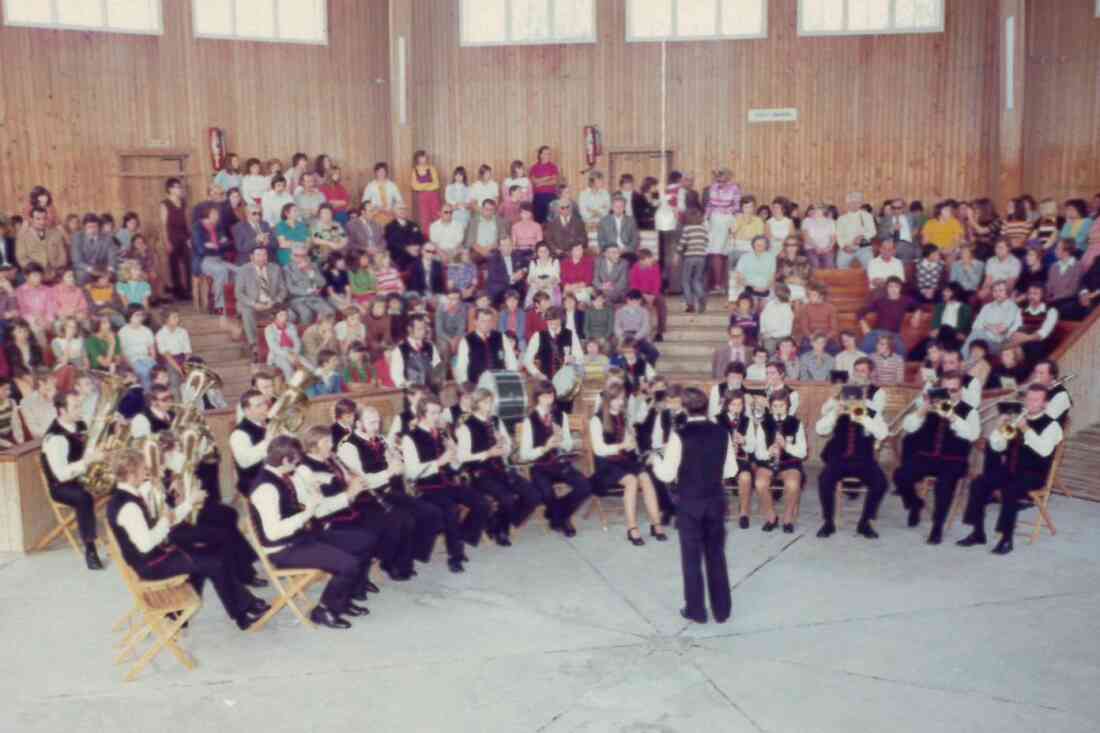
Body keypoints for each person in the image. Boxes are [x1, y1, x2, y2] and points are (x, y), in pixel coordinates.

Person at [249, 436, 372, 629]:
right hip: (283, 550)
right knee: (348, 564)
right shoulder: (266, 488)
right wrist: (308, 511)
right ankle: (324, 610)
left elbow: (302, 506)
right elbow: (273, 533)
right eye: (296, 462)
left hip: (301, 537)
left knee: (363, 541)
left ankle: (344, 599)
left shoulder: (282, 475)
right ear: (284, 461)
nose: (299, 465)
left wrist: (315, 495)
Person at [650, 386, 734, 624]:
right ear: (707, 407)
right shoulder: (721, 432)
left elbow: (667, 475)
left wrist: (657, 458)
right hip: (716, 501)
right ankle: (722, 611)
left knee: (691, 558)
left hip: (690, 504)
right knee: (716, 555)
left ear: (685, 408)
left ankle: (696, 611)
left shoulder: (680, 435)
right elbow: (731, 470)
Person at [959, 385, 1063, 555]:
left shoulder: (1052, 426)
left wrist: (1025, 428)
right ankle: (978, 533)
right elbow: (997, 447)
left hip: (1034, 475)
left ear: (1045, 403)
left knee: (1010, 489)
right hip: (1010, 470)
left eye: (1035, 400)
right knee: (978, 483)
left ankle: (1006, 539)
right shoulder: (1016, 420)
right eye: (1028, 399)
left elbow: (1044, 450)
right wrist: (999, 428)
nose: (1030, 403)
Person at [400, 396, 490, 573]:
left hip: (448, 482)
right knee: (450, 510)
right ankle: (455, 556)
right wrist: (439, 462)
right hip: (427, 487)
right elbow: (411, 473)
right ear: (422, 414)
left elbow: (455, 465)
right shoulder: (410, 438)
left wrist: (455, 454)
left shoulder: (442, 433)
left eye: (439, 412)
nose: (437, 416)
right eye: (433, 413)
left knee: (482, 503)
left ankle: (461, 538)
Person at [893, 371, 980, 544]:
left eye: (954, 390)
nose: (949, 395)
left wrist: (954, 417)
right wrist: (922, 411)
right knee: (900, 475)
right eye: (945, 391)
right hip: (927, 457)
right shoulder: (930, 407)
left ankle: (937, 527)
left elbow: (973, 435)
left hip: (953, 460)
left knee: (944, 486)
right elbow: (908, 427)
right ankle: (915, 503)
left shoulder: (969, 411)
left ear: (961, 391)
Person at [456, 389, 539, 546]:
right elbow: (462, 457)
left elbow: (508, 447)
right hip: (480, 473)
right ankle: (501, 529)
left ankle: (497, 522)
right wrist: (487, 453)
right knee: (507, 497)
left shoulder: (495, 421)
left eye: (491, 402)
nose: (490, 406)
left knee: (533, 494)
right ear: (476, 403)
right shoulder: (466, 427)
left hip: (500, 469)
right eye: (486, 402)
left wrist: (504, 444)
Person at [590, 383, 665, 545]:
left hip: (623, 460)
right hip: (605, 464)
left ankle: (655, 523)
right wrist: (622, 446)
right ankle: (632, 528)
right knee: (631, 480)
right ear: (607, 399)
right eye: (615, 399)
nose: (619, 402)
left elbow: (629, 443)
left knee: (645, 477)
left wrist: (631, 443)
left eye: (621, 399)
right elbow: (599, 450)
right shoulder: (596, 419)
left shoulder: (623, 416)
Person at [815, 385, 889, 538]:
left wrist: (863, 418)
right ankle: (828, 522)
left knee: (880, 483)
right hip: (839, 459)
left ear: (861, 400)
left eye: (854, 401)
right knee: (824, 480)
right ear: (842, 400)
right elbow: (820, 430)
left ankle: (864, 523)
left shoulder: (872, 413)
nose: (850, 404)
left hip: (864, 460)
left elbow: (882, 434)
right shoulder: (836, 410)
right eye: (846, 401)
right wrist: (835, 413)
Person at [41, 390, 104, 569]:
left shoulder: (80, 425)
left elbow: (87, 448)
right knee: (84, 498)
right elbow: (60, 474)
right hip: (62, 487)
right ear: (62, 411)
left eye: (80, 405)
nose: (81, 410)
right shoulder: (55, 439)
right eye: (76, 407)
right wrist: (88, 461)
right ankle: (90, 549)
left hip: (82, 477)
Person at [752, 390, 806, 533]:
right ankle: (771, 517)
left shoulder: (796, 423)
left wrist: (786, 446)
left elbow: (802, 452)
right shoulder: (764, 423)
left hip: (790, 463)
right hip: (768, 462)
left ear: (788, 406)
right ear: (770, 408)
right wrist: (769, 452)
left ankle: (787, 518)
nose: (778, 409)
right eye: (775, 406)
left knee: (793, 484)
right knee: (760, 483)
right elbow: (758, 453)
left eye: (782, 406)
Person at [455, 307, 519, 385]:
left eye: (489, 321)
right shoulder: (466, 341)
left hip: (500, 382)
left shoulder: (501, 337)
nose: (486, 324)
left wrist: (511, 379)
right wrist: (465, 384)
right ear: (475, 322)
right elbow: (461, 367)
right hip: (476, 385)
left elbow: (511, 360)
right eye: (483, 321)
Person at [964, 280, 1022, 358]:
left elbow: (1001, 330)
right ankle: (964, 362)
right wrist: (993, 327)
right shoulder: (986, 307)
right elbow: (975, 326)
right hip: (981, 339)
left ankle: (962, 360)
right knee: (976, 337)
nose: (997, 294)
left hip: (999, 343)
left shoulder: (1012, 308)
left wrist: (985, 325)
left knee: (976, 336)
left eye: (1001, 291)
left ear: (1007, 292)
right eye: (995, 291)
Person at [285, 245, 335, 326]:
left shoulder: (313, 266)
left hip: (314, 299)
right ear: (291, 256)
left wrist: (309, 270)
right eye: (297, 255)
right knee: (306, 313)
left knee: (329, 311)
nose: (300, 258)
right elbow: (291, 289)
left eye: (303, 255)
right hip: (297, 300)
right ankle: (305, 336)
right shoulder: (287, 269)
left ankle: (325, 335)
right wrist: (308, 292)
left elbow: (322, 283)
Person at [388, 314, 442, 390]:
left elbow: (437, 369)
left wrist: (436, 382)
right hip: (411, 393)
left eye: (424, 328)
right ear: (409, 329)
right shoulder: (399, 350)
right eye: (419, 329)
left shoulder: (431, 346)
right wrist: (411, 387)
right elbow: (397, 377)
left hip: (430, 390)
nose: (423, 331)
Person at [614, 289, 660, 365]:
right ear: (627, 300)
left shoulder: (644, 311)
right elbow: (617, 326)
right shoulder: (620, 311)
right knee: (616, 354)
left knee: (654, 353)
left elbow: (645, 327)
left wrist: (635, 338)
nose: (634, 303)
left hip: (639, 337)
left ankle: (646, 370)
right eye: (632, 300)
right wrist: (621, 336)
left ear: (640, 301)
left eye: (637, 301)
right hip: (624, 336)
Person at [836, 194, 877, 268]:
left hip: (864, 248)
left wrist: (862, 236)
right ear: (847, 204)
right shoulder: (841, 218)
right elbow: (839, 235)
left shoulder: (867, 216)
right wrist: (844, 247)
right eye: (851, 202)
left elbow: (873, 231)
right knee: (840, 265)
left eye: (857, 202)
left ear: (860, 204)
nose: (854, 205)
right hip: (847, 247)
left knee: (871, 266)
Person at [544, 187, 588, 256]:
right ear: (558, 209)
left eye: (567, 207)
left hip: (575, 254)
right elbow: (548, 240)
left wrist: (576, 249)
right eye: (562, 207)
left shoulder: (578, 222)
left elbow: (584, 238)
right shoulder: (552, 223)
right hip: (557, 255)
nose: (565, 209)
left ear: (571, 207)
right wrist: (555, 249)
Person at [409, 150, 442, 232]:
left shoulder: (432, 168)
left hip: (434, 195)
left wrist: (422, 186)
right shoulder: (414, 170)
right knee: (425, 218)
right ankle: (427, 238)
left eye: (424, 157)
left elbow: (437, 184)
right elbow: (415, 186)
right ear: (417, 159)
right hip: (422, 197)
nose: (423, 159)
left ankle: (438, 235)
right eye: (421, 157)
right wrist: (429, 184)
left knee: (436, 216)